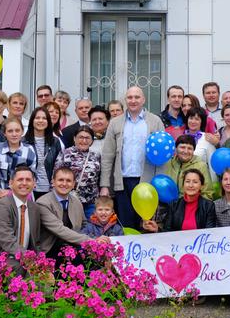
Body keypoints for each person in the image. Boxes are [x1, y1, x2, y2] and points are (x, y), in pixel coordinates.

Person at [99, 86, 165, 229]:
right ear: (125, 100)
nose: (133, 100)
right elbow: (107, 156)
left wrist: (158, 182)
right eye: (130, 97)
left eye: (137, 97)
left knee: (146, 225)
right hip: (122, 182)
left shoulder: (155, 121)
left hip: (147, 182)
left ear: (143, 100)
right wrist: (105, 185)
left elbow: (162, 156)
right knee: (126, 225)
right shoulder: (115, 122)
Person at [0, 165, 41, 273]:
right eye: (20, 179)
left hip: (23, 261)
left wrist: (41, 264)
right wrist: (32, 261)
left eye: (28, 180)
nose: (24, 183)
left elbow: (35, 242)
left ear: (34, 184)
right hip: (0, 262)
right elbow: (7, 241)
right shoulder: (1, 205)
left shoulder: (35, 209)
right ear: (10, 183)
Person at [37, 165, 92, 259]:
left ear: (74, 184)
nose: (64, 183)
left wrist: (96, 238)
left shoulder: (76, 201)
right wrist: (91, 241)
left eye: (68, 181)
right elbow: (60, 229)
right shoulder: (42, 203)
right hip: (50, 250)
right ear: (53, 182)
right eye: (60, 180)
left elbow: (84, 225)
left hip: (74, 245)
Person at [142, 169, 216, 232]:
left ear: (201, 186)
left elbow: (209, 233)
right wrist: (157, 229)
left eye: (195, 182)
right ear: (183, 185)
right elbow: (168, 232)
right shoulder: (174, 205)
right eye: (187, 181)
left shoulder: (209, 206)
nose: (190, 185)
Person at [53, 126, 101, 218]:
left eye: (87, 138)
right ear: (74, 138)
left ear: (92, 141)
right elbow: (55, 175)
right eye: (80, 137)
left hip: (90, 201)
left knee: (89, 227)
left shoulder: (96, 155)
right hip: (70, 199)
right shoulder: (65, 153)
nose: (84, 140)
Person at [24, 107, 62, 199]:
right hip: (29, 190)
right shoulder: (23, 142)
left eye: (44, 118)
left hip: (50, 190)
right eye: (37, 118)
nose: (40, 121)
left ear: (48, 122)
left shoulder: (55, 142)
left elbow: (59, 165)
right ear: (32, 121)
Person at [0, 117, 37, 197]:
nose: (14, 134)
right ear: (4, 133)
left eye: (17, 130)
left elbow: (32, 177)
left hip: (23, 195)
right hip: (0, 196)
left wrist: (10, 193)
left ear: (22, 132)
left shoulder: (29, 150)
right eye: (10, 131)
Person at [163, 134, 213, 199]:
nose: (186, 151)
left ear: (193, 151)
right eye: (182, 147)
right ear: (176, 149)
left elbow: (207, 193)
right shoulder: (168, 163)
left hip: (191, 207)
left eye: (189, 148)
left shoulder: (201, 166)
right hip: (168, 205)